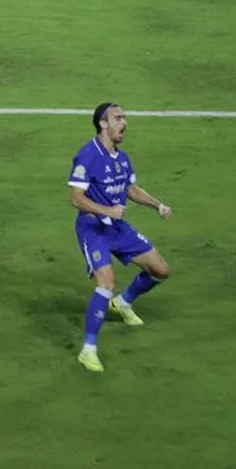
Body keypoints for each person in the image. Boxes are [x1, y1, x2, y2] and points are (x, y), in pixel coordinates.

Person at [67, 103, 173, 373]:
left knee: (161, 270)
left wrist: (157, 205)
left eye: (124, 117)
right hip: (93, 229)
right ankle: (88, 350)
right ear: (103, 123)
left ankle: (123, 303)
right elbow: (76, 198)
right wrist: (107, 211)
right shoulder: (87, 155)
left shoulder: (122, 158)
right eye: (118, 118)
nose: (124, 122)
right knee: (106, 282)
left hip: (117, 228)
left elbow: (131, 189)